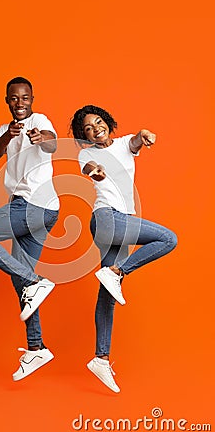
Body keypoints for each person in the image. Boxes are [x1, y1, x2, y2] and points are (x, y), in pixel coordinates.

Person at [71, 105, 177, 393]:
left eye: (99, 122)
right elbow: (88, 168)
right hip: (106, 219)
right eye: (88, 128)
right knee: (168, 239)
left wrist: (144, 135)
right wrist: (97, 172)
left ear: (108, 122)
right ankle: (117, 271)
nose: (96, 129)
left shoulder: (123, 143)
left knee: (106, 295)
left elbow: (135, 141)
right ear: (84, 135)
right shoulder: (87, 154)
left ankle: (101, 358)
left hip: (120, 222)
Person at [0, 76, 59, 381]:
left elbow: (52, 142)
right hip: (41, 210)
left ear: (32, 99)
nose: (20, 103)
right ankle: (36, 348)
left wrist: (39, 138)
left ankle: (37, 280)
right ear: (7, 101)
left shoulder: (40, 120)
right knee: (20, 284)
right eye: (14, 98)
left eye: (25, 98)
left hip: (33, 205)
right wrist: (8, 136)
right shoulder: (4, 131)